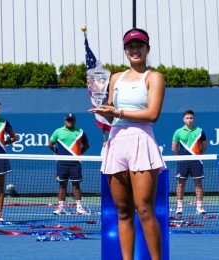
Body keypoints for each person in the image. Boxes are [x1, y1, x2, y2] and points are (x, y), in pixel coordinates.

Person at [89, 28, 166, 259]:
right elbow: (111, 112)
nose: (135, 50)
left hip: (141, 142)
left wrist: (118, 111)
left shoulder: (154, 77)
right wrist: (101, 106)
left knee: (144, 210)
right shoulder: (114, 78)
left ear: (147, 49)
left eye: (139, 46)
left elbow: (152, 115)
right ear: (125, 51)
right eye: (130, 46)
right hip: (116, 142)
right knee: (123, 211)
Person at [48, 113, 90, 215]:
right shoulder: (58, 131)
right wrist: (58, 153)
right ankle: (60, 207)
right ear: (65, 121)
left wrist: (77, 154)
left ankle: (79, 208)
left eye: (72, 120)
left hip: (75, 163)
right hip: (62, 163)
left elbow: (86, 145)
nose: (70, 122)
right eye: (68, 120)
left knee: (76, 185)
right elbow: (50, 144)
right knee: (62, 185)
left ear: (74, 121)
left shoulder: (80, 132)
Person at [172, 109, 207, 214]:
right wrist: (181, 157)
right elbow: (174, 148)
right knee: (181, 184)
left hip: (196, 161)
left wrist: (196, 155)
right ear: (183, 119)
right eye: (187, 118)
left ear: (194, 119)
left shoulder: (200, 131)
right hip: (183, 161)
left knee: (198, 184)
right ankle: (179, 207)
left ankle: (199, 207)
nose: (189, 120)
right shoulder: (178, 132)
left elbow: (204, 147)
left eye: (191, 118)